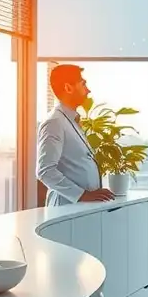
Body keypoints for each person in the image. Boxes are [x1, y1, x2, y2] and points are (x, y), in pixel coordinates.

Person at [36, 64, 114, 207]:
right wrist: (82, 195)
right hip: (65, 208)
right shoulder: (54, 122)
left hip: (77, 208)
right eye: (83, 84)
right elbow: (45, 171)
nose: (88, 90)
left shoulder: (69, 120)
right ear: (68, 88)